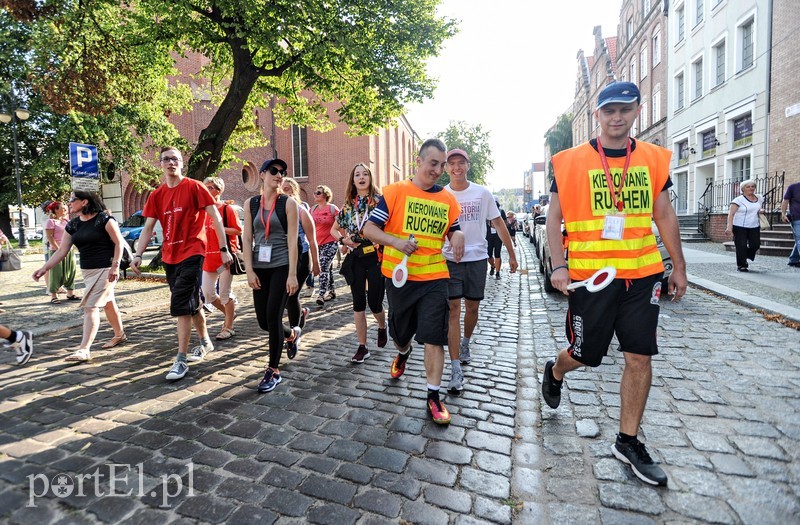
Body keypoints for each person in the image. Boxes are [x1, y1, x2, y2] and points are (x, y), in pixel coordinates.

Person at [541, 82, 688, 487]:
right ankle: (555, 371)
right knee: (586, 356)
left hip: (642, 276)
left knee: (639, 357)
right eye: (609, 111)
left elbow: (663, 213)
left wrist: (678, 266)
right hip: (591, 279)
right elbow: (554, 219)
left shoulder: (654, 159)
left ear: (637, 111)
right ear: (598, 116)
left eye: (624, 109)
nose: (616, 117)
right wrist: (559, 266)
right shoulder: (570, 161)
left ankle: (627, 440)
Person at [363, 138, 464, 425]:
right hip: (400, 279)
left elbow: (454, 230)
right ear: (418, 161)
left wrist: (459, 237)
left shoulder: (447, 199)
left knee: (434, 337)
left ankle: (433, 396)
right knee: (400, 333)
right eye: (433, 163)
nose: (438, 170)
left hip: (435, 277)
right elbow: (369, 228)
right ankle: (403, 352)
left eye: (441, 165)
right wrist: (395, 241)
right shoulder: (395, 193)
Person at [129, 147, 232, 381]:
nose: (171, 163)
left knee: (180, 304)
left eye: (175, 159)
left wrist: (224, 249)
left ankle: (181, 359)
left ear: (182, 163)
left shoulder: (195, 187)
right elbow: (147, 229)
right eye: (166, 159)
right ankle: (205, 342)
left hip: (194, 251)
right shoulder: (156, 195)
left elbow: (215, 217)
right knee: (191, 302)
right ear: (161, 164)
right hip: (170, 255)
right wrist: (138, 255)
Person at [442, 149, 517, 393]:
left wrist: (512, 254)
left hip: (476, 258)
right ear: (446, 168)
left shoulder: (482, 193)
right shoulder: (441, 194)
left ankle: (466, 342)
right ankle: (455, 368)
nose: (456, 167)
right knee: (453, 309)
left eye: (460, 163)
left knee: (472, 308)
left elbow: (498, 223)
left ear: (467, 165)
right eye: (451, 164)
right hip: (449, 259)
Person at [33, 191, 128, 362]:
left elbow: (118, 243)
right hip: (88, 271)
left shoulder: (104, 220)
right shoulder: (73, 225)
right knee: (107, 303)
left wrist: (115, 266)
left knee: (90, 306)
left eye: (72, 200)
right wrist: (44, 268)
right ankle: (119, 334)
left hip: (106, 269)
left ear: (84, 202)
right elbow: (62, 250)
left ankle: (84, 349)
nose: (69, 203)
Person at [242, 158, 300, 392]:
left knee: (274, 316)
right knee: (264, 322)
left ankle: (273, 370)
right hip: (259, 266)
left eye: (283, 172)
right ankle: (291, 335)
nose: (279, 175)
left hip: (282, 265)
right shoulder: (251, 204)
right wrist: (248, 269)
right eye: (274, 171)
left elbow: (293, 241)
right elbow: (247, 238)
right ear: (263, 174)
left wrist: (293, 274)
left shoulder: (288, 203)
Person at [332, 163, 388, 363]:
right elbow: (334, 229)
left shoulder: (381, 201)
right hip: (356, 256)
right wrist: (343, 240)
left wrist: (381, 238)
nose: (361, 177)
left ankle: (382, 326)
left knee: (374, 303)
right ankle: (362, 347)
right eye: (357, 174)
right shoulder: (349, 203)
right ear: (353, 180)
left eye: (365, 174)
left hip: (376, 256)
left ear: (371, 178)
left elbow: (390, 227)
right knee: (358, 304)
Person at [280, 176, 320, 357]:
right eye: (283, 188)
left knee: (291, 295)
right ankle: (301, 314)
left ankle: (294, 334)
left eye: (289, 189)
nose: (285, 191)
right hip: (281, 259)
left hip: (301, 258)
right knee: (284, 297)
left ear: (294, 190)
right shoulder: (276, 208)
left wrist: (316, 263)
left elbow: (312, 239)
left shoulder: (301, 208)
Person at [201, 177, 242, 340]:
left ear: (218, 190)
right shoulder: (202, 210)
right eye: (205, 188)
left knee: (225, 293)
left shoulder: (227, 209)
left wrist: (219, 227)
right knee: (208, 294)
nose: (207, 191)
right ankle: (229, 314)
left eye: (210, 188)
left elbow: (238, 230)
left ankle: (228, 326)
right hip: (207, 257)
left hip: (225, 256)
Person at [725, 179, 764, 272]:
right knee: (741, 246)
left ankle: (745, 255)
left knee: (755, 245)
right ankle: (742, 265)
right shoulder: (738, 200)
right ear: (743, 189)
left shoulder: (759, 198)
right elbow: (731, 214)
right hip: (740, 226)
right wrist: (729, 227)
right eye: (748, 187)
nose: (751, 188)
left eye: (752, 186)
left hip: (754, 225)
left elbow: (757, 209)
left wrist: (761, 211)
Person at [44, 201, 79, 303]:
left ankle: (70, 293)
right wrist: (58, 249)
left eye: (65, 208)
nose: (65, 210)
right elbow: (50, 237)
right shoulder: (51, 221)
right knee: (56, 273)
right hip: (56, 250)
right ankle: (54, 296)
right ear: (56, 210)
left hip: (69, 249)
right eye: (62, 208)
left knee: (71, 271)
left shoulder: (66, 221)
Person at [310, 185, 340, 306]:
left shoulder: (332, 209)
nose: (315, 195)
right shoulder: (312, 209)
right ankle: (332, 291)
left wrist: (344, 242)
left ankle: (321, 294)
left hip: (331, 242)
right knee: (328, 267)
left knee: (323, 266)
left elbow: (341, 225)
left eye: (318, 193)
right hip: (318, 244)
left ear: (325, 195)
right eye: (315, 192)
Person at [780, 180, 800, 267]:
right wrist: (783, 214)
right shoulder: (793, 187)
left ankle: (793, 260)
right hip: (797, 218)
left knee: (798, 240)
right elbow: (785, 201)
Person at [486, 200, 507, 279]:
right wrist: (489, 223)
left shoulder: (501, 212)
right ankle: (493, 266)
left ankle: (498, 273)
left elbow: (505, 223)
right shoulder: (486, 213)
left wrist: (499, 225)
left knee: (497, 253)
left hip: (498, 235)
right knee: (489, 255)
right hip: (488, 235)